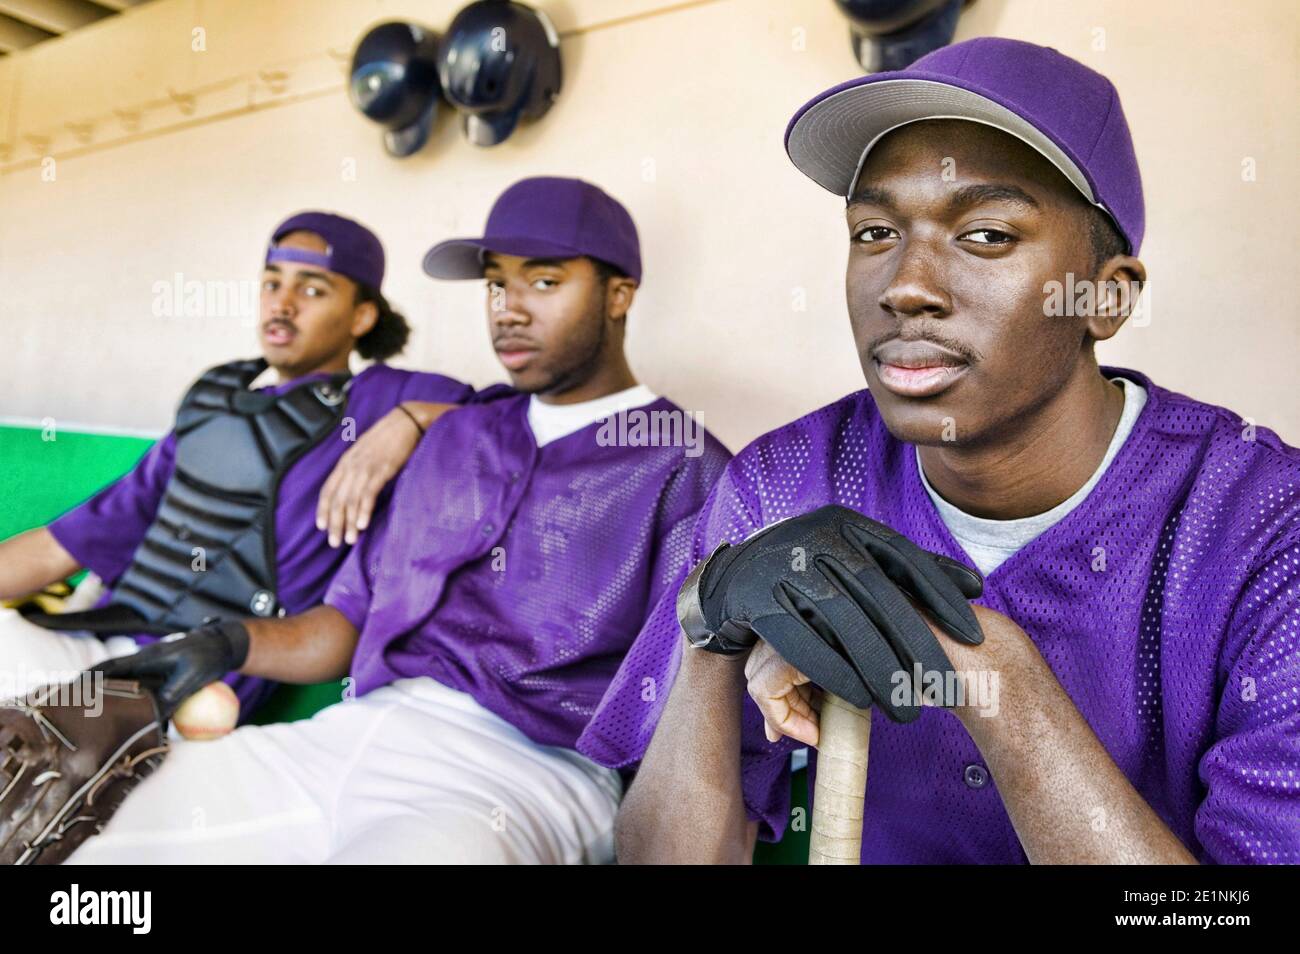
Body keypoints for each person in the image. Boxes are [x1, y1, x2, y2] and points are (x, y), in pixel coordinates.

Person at [578, 37, 1300, 865]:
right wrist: (714, 618)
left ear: (1105, 296)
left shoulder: (1266, 526)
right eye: (876, 230)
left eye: (987, 235)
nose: (905, 286)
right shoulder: (786, 483)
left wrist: (995, 677)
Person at [66, 177, 732, 864]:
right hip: (355, 730)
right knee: (102, 828)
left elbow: (699, 706)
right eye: (496, 285)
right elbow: (343, 623)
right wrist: (224, 644)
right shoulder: (452, 439)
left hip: (528, 773)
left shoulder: (686, 466)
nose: (509, 309)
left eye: (544, 281)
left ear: (618, 294)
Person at [0, 212, 472, 718]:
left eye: (313, 290)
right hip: (92, 642)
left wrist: (414, 419)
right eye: (272, 284)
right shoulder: (213, 409)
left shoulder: (383, 398)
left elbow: (521, 420)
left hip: (196, 681)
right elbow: (59, 547)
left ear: (361, 317)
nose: (282, 304)